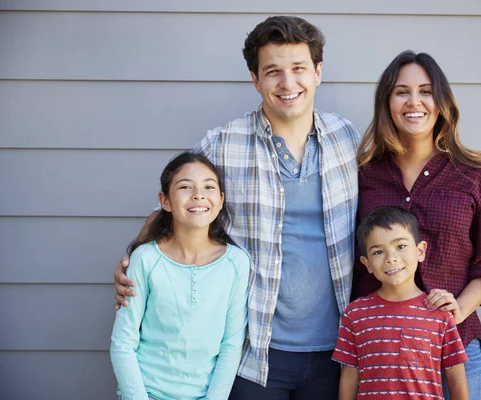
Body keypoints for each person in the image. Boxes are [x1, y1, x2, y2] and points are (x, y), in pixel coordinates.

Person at [114, 16, 360, 399]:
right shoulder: (223, 144)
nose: (288, 83)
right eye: (273, 71)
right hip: (254, 350)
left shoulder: (348, 138)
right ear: (255, 79)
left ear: (317, 73)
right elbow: (179, 207)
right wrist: (133, 260)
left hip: (338, 348)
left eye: (298, 69)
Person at [354, 50, 481, 399]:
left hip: (452, 346)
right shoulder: (362, 174)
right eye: (401, 91)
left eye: (425, 91)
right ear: (387, 103)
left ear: (441, 101)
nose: (415, 102)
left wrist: (457, 310)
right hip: (379, 347)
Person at [110, 151, 250, 400]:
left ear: (220, 200)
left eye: (208, 187)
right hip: (147, 393)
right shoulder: (146, 259)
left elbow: (230, 344)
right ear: (165, 201)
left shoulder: (236, 264)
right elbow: (123, 342)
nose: (198, 195)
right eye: (185, 187)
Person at [334, 206, 469, 400]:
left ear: (420, 251)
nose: (391, 258)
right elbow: (349, 375)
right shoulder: (355, 313)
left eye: (401, 246)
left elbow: (456, 378)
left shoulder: (439, 312)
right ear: (367, 264)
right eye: (378, 251)